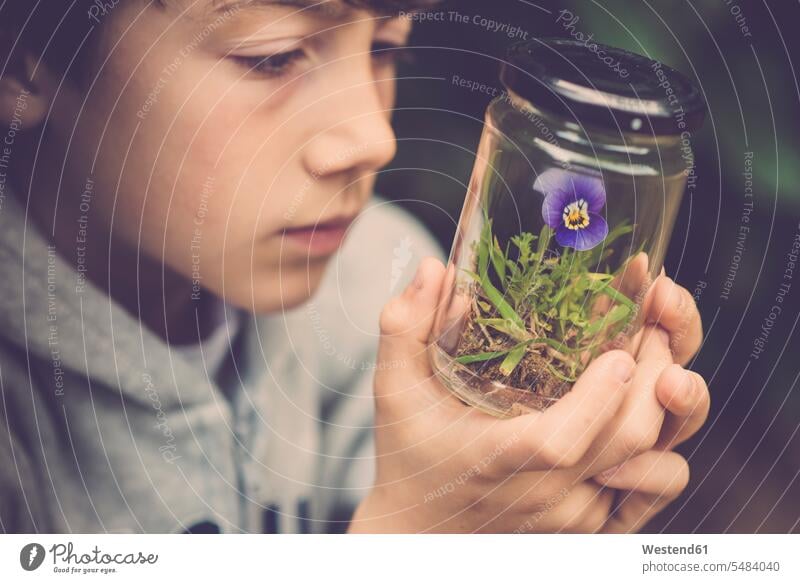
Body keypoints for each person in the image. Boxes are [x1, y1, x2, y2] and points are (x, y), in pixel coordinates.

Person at [0, 0, 709, 533]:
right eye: (272, 56)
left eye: (384, 47)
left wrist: (523, 517)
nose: (375, 136)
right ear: (25, 61)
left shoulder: (390, 291)